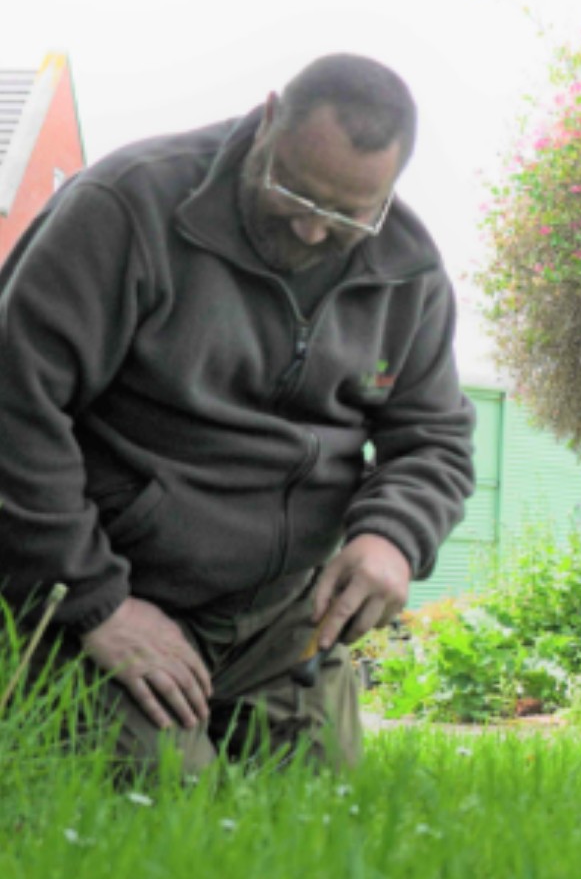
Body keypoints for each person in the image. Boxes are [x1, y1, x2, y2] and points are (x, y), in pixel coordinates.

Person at [0, 53, 476, 775]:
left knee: (316, 812)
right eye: (295, 191)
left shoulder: (408, 272)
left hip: (282, 622)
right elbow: (16, 405)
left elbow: (434, 439)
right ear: (269, 118)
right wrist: (96, 603)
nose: (312, 232)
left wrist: (394, 536)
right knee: (165, 797)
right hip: (115, 589)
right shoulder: (127, 207)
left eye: (347, 216)